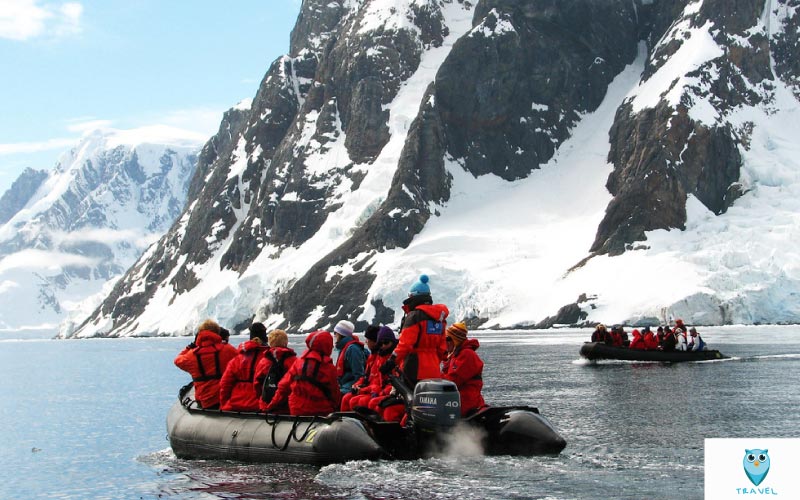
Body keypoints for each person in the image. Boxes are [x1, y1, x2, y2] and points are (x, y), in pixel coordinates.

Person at [385, 274, 449, 386]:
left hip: (414, 369)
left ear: (413, 297)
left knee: (412, 400)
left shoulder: (414, 316)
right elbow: (442, 348)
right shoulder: (439, 319)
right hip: (434, 370)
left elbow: (405, 345)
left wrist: (391, 362)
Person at [265, 330, 340, 416]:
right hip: (320, 411)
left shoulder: (298, 363)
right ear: (327, 346)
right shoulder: (329, 368)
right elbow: (335, 395)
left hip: (296, 409)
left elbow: (283, 387)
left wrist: (270, 406)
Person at [174, 319, 237, 409]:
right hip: (224, 398)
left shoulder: (192, 355)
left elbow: (177, 360)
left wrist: (191, 346)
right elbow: (241, 361)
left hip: (204, 401)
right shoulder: (228, 350)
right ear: (217, 333)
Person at [219, 322, 268, 412]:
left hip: (236, 403)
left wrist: (224, 404)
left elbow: (225, 384)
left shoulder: (237, 359)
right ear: (265, 338)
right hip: (260, 406)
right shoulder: (269, 359)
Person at [441, 322, 487, 417]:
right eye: (445, 339)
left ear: (456, 340)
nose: (445, 342)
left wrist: (432, 375)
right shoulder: (454, 355)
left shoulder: (466, 355)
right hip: (456, 400)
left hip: (466, 401)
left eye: (448, 339)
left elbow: (453, 382)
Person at [254, 329, 297, 413]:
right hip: (287, 406)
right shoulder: (294, 361)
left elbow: (257, 383)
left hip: (266, 405)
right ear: (285, 342)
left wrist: (262, 398)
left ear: (270, 342)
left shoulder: (263, 361)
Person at [333, 320, 367, 395]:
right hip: (344, 383)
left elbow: (359, 374)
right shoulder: (343, 347)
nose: (334, 336)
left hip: (350, 384)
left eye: (335, 333)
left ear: (340, 334)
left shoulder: (353, 349)